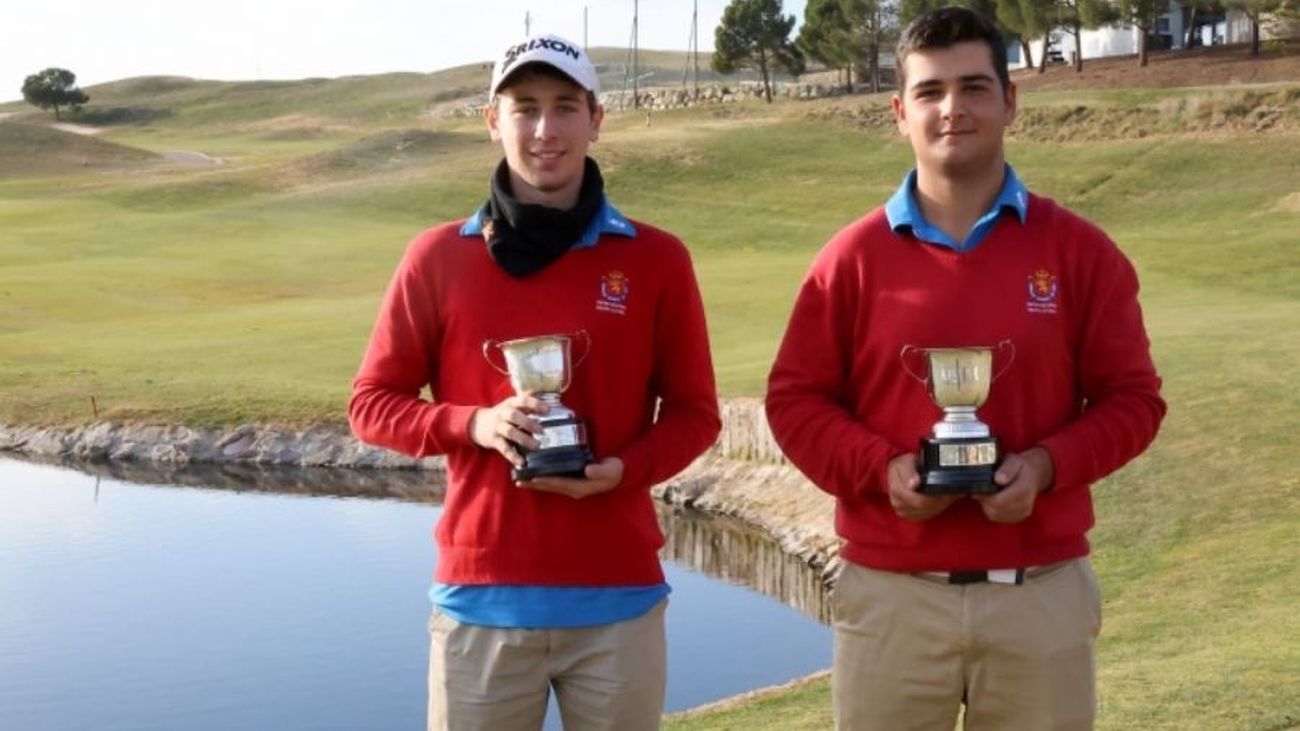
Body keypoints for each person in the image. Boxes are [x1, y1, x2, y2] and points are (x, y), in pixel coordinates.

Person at [764, 7, 1166, 730]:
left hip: (1039, 595)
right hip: (891, 597)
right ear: (899, 111)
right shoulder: (850, 260)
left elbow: (1134, 401)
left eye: (975, 87)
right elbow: (796, 402)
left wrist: (1046, 465)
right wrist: (881, 469)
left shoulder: (1080, 252)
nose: (953, 109)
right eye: (930, 91)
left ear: (1010, 101)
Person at [348, 34, 720, 731]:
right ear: (493, 120)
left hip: (619, 599)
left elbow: (696, 413)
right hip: (481, 601)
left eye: (564, 107)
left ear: (595, 119)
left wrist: (625, 469)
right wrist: (474, 424)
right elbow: (371, 405)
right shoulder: (436, 257)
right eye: (524, 108)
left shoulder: (657, 259)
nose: (545, 130)